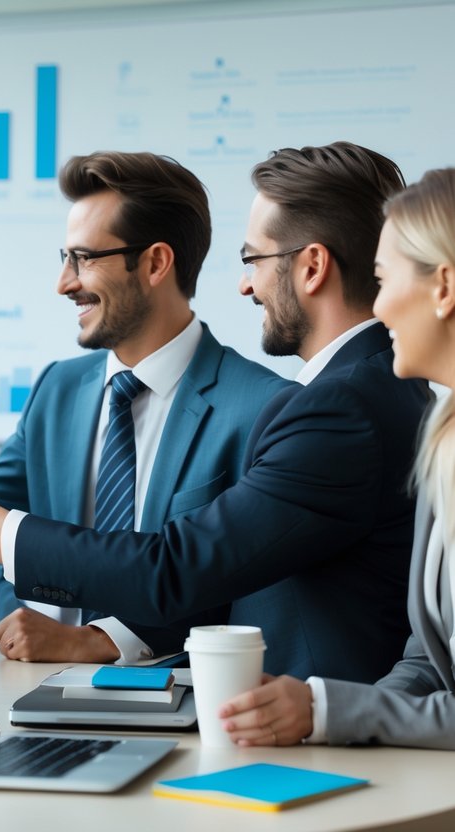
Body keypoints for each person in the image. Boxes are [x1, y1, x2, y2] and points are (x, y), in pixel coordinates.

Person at [0, 141, 430, 683]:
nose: (246, 286)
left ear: (311, 266)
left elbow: (178, 571)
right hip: (50, 689)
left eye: (253, 260)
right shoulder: (58, 390)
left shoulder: (312, 407)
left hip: (288, 725)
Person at [219, 168, 455, 749]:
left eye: (384, 278)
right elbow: (429, 661)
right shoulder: (442, 437)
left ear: (443, 287)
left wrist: (330, 710)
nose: (379, 305)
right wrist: (328, 712)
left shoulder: (363, 406)